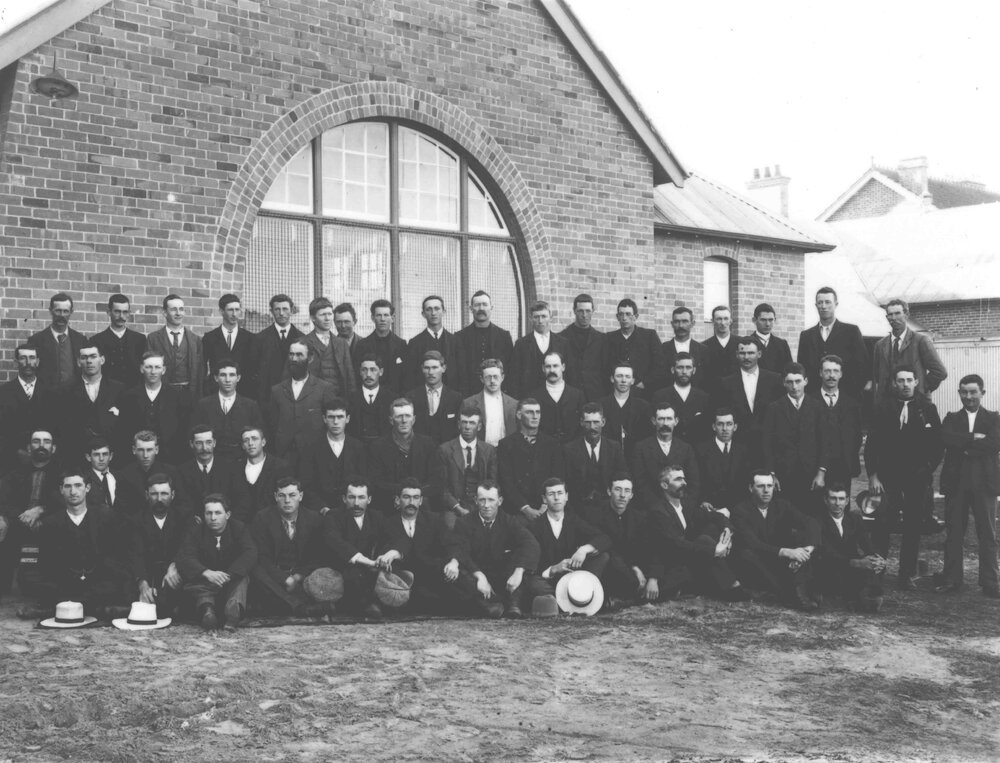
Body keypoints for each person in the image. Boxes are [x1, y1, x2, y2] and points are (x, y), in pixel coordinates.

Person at [864, 365, 944, 590]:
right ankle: (878, 570)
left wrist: (926, 469)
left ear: (917, 382)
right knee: (882, 524)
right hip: (888, 477)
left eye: (910, 380)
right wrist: (873, 476)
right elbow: (872, 445)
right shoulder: (883, 408)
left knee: (912, 526)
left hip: (916, 477)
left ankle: (906, 574)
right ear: (894, 384)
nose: (906, 384)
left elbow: (937, 446)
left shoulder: (927, 408)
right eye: (901, 380)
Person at [643, 465, 747, 601]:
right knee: (704, 541)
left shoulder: (685, 506)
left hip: (691, 558)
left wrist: (727, 531)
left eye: (684, 479)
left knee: (708, 533)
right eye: (678, 480)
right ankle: (732, 586)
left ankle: (728, 585)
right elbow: (676, 543)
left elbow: (716, 516)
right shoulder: (658, 511)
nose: (684, 483)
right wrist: (714, 551)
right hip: (672, 565)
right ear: (664, 485)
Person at [937, 374, 1000, 598]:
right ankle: (953, 580)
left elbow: (994, 444)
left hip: (984, 484)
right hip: (957, 484)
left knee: (988, 534)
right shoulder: (951, 418)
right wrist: (974, 438)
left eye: (973, 392)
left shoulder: (994, 418)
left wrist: (964, 446)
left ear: (982, 392)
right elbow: (946, 439)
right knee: (954, 533)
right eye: (964, 392)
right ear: (959, 394)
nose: (969, 396)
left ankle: (990, 582)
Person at [35, 468, 127, 612]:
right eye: (68, 486)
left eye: (78, 485)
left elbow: (114, 558)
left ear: (88, 488)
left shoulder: (105, 518)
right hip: (65, 584)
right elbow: (47, 564)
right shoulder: (50, 524)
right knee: (47, 590)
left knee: (115, 586)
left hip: (98, 584)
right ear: (61, 490)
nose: (73, 491)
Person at [449, 480, 540, 618]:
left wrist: (518, 572)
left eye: (491, 500)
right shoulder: (465, 522)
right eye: (482, 500)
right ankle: (487, 606)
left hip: (501, 577)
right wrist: (479, 576)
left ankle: (513, 605)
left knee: (521, 560)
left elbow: (530, 543)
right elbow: (461, 551)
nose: (486, 505)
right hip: (476, 578)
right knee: (455, 575)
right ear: (476, 501)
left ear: (500, 501)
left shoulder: (509, 521)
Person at [731, 471, 820, 610]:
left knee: (804, 539)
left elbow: (810, 522)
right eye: (761, 486)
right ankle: (788, 593)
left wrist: (807, 550)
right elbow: (753, 543)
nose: (766, 491)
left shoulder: (782, 505)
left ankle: (798, 591)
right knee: (747, 554)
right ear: (750, 488)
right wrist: (786, 552)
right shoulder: (740, 510)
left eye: (769, 486)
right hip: (757, 563)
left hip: (779, 561)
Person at [249, 477, 331, 616]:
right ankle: (298, 607)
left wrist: (298, 576)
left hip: (301, 576)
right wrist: (284, 579)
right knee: (256, 571)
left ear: (301, 496)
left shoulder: (314, 519)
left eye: (292, 495)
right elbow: (262, 558)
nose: (287, 500)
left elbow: (317, 556)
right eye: (282, 495)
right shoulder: (262, 518)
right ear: (275, 497)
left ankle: (283, 604)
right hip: (274, 578)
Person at [177, 493, 257, 630]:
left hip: (231, 579)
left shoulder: (239, 529)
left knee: (242, 580)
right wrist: (206, 572)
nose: (213, 518)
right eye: (209, 513)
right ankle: (208, 612)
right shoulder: (196, 532)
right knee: (197, 586)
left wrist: (228, 575)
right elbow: (185, 556)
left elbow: (250, 553)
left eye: (218, 513)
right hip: (206, 581)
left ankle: (233, 610)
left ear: (227, 514)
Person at [375, 478, 458, 612]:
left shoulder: (434, 520)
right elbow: (385, 548)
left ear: (420, 501)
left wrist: (454, 562)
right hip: (404, 578)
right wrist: (391, 553)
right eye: (406, 497)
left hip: (430, 574)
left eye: (415, 498)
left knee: (457, 584)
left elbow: (451, 544)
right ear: (397, 500)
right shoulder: (387, 523)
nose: (411, 502)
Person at [525, 477, 610, 605]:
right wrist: (553, 569)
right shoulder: (534, 527)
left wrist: (583, 550)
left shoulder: (574, 521)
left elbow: (604, 538)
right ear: (544, 499)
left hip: (573, 578)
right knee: (532, 583)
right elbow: (532, 563)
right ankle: (573, 597)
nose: (556, 498)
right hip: (549, 580)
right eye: (551, 494)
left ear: (566, 496)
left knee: (602, 557)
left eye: (560, 493)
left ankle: (571, 596)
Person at [0, 429, 63, 595]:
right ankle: (4, 588)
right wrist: (20, 516)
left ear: (54, 448)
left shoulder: (62, 473)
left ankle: (49, 590)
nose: (41, 445)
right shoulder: (15, 473)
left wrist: (41, 510)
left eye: (46, 441)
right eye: (36, 441)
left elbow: (65, 500)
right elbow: (4, 499)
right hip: (18, 521)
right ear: (29, 447)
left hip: (51, 521)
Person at [762, 363, 828, 515]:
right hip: (784, 474)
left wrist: (821, 473)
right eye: (790, 382)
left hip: (810, 473)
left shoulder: (818, 407)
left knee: (810, 516)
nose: (794, 386)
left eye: (798, 381)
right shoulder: (774, 408)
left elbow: (825, 442)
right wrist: (772, 474)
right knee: (784, 515)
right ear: (784, 383)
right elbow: (767, 444)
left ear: (806, 381)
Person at [125, 474, 191, 620]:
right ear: (147, 495)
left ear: (172, 495)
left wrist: (175, 566)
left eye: (164, 494)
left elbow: (187, 547)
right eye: (154, 494)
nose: (159, 499)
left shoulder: (183, 518)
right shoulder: (135, 520)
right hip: (147, 574)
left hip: (173, 575)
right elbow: (136, 554)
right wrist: (142, 583)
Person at [323, 477, 390, 620]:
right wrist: (368, 562)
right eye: (352, 497)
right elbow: (336, 542)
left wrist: (386, 556)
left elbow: (390, 539)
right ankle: (364, 607)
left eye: (361, 497)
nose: (357, 503)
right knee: (352, 575)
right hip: (344, 566)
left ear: (369, 499)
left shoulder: (377, 517)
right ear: (344, 499)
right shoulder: (334, 516)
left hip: (372, 567)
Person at [813, 483, 886, 612]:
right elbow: (824, 551)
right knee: (827, 572)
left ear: (847, 501)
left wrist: (877, 557)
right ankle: (847, 598)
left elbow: (867, 543)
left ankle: (864, 597)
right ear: (825, 500)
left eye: (841, 499)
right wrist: (856, 562)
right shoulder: (817, 521)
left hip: (851, 566)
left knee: (870, 565)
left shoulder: (854, 519)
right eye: (833, 498)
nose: (837, 503)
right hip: (830, 565)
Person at [584, 473, 650, 607]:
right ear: (609, 491)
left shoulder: (639, 518)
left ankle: (628, 597)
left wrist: (640, 569)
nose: (622, 495)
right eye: (618, 489)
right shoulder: (595, 515)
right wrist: (634, 569)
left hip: (633, 563)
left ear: (632, 495)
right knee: (613, 563)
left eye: (627, 491)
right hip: (610, 566)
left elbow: (645, 548)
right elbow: (606, 546)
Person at [367, 398, 440, 516]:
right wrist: (400, 497)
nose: (404, 420)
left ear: (414, 419)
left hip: (422, 506)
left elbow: (436, 480)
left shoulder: (428, 444)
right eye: (399, 416)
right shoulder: (377, 447)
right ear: (391, 420)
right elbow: (375, 482)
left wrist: (413, 498)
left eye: (408, 416)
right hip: (388, 506)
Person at [497, 398, 565, 521]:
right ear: (519, 415)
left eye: (538, 412)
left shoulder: (552, 444)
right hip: (516, 511)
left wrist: (545, 506)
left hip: (547, 509)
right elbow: (506, 482)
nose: (535, 416)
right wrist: (525, 508)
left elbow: (557, 477)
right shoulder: (506, 445)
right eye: (529, 412)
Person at [117, 350, 191, 463]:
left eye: (157, 367)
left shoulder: (176, 396)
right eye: (149, 367)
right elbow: (125, 430)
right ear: (142, 369)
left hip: (169, 457)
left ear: (164, 370)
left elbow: (181, 431)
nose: (153, 371)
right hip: (138, 457)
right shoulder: (129, 396)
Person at [716, 336, 783, 461]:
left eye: (751, 353)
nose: (746, 357)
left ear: (759, 354)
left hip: (768, 444)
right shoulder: (726, 383)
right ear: (737, 354)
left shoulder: (774, 380)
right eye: (742, 353)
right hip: (738, 446)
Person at [266, 339, 337, 458]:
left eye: (299, 355)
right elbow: (272, 424)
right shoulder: (277, 390)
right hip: (284, 455)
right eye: (291, 354)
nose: (294, 359)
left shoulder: (324, 388)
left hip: (314, 455)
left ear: (310, 358)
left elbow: (330, 423)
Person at [297, 400, 368, 516]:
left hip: (351, 511)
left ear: (348, 419)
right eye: (331, 417)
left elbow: (363, 481)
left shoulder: (358, 447)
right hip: (319, 513)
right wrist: (321, 508)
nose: (335, 422)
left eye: (340, 417)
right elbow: (305, 484)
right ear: (324, 419)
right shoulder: (311, 448)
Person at [797, 286, 869, 399]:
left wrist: (853, 391)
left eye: (828, 302)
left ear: (836, 304)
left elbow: (862, 364)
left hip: (846, 396)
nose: (824, 306)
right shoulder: (806, 335)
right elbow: (803, 367)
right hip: (814, 397)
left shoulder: (851, 331)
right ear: (816, 305)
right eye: (820, 303)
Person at [57, 343, 124, 465]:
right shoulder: (67, 390)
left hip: (110, 456)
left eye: (93, 356)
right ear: (78, 362)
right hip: (77, 455)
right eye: (84, 358)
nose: (89, 361)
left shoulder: (117, 389)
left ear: (102, 360)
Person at [872, 298, 947, 402]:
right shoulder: (880, 345)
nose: (893, 318)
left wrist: (921, 389)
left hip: (915, 404)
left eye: (898, 313)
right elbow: (877, 376)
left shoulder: (921, 341)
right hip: (888, 406)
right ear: (887, 317)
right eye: (890, 314)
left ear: (906, 315)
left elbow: (940, 372)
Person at [191, 359, 265, 463]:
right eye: (223, 375)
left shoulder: (250, 406)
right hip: (212, 462)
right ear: (216, 378)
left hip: (241, 461)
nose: (227, 379)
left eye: (232, 375)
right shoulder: (203, 405)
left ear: (238, 378)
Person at [436, 405, 497, 528]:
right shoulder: (445, 450)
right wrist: (458, 508)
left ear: (479, 426)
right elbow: (442, 487)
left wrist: (481, 507)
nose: (467, 427)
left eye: (472, 423)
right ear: (459, 424)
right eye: (464, 422)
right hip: (453, 507)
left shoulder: (489, 450)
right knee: (451, 528)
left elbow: (492, 483)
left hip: (481, 506)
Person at [0, 345, 57, 476]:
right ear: (16, 363)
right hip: (12, 461)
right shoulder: (4, 393)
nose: (28, 363)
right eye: (23, 358)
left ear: (37, 362)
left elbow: (56, 427)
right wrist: (16, 451)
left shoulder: (52, 392)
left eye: (31, 358)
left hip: (46, 461)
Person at [630, 403, 700, 508]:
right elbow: (640, 482)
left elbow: (693, 483)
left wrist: (682, 506)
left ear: (676, 421)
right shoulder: (641, 448)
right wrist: (657, 506)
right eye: (661, 419)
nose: (665, 423)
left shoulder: (686, 449)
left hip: (681, 508)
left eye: (669, 419)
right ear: (654, 421)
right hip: (650, 509)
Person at [563, 403, 627, 512]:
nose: (592, 427)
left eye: (596, 422)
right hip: (579, 509)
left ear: (603, 422)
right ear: (581, 423)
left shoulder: (614, 447)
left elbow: (622, 476)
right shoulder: (569, 450)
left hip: (609, 508)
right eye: (588, 423)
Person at [815, 355, 863, 492]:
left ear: (841, 374)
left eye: (836, 371)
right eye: (827, 371)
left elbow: (856, 435)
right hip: (816, 469)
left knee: (841, 507)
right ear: (820, 373)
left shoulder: (852, 404)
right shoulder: (810, 401)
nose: (831, 375)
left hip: (843, 467)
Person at [453, 290, 514, 398]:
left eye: (485, 304)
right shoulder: (459, 337)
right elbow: (458, 371)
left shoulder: (504, 336)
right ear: (471, 309)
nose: (481, 308)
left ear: (491, 308)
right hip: (469, 396)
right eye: (477, 305)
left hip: (497, 395)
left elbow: (510, 369)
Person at [229, 427, 293, 524]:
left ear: (263, 442)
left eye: (254, 439)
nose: (250, 443)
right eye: (246, 440)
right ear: (242, 446)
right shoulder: (235, 468)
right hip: (241, 526)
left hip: (271, 524)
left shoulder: (280, 467)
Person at [604, 298, 665, 399]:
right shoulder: (609, 338)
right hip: (616, 393)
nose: (624, 318)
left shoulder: (649, 336)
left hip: (643, 392)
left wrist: (644, 383)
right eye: (621, 314)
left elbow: (660, 365)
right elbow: (605, 366)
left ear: (636, 316)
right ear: (617, 317)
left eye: (628, 314)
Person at [146, 294, 203, 398]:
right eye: (173, 309)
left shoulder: (195, 340)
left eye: (181, 309)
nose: (178, 313)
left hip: (188, 394)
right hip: (162, 395)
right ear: (164, 313)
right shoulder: (153, 338)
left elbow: (200, 372)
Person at [695, 409, 751, 515]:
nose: (725, 429)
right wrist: (702, 501)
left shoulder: (744, 451)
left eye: (729, 424)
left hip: (738, 510)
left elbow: (745, 483)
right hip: (710, 509)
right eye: (720, 424)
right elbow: (696, 481)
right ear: (714, 427)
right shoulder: (700, 451)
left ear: (735, 427)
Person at [27, 292, 86, 391]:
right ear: (50, 311)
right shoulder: (36, 340)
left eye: (65, 311)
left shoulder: (80, 340)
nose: (62, 315)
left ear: (71, 312)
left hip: (74, 398)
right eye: (58, 311)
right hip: (45, 398)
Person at [510, 300, 569, 398]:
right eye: (536, 317)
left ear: (551, 318)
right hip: (529, 398)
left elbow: (567, 373)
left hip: (556, 397)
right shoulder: (521, 344)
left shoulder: (563, 343)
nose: (540, 321)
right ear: (530, 319)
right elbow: (515, 376)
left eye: (544, 316)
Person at [253, 294, 304, 404]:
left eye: (285, 309)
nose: (281, 313)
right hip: (268, 398)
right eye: (277, 309)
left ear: (292, 310)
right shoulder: (260, 339)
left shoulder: (302, 339)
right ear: (271, 311)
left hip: (295, 396)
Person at [301, 297, 356, 398]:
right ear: (313, 318)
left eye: (330, 314)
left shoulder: (341, 343)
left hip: (338, 400)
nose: (327, 318)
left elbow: (350, 377)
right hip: (313, 400)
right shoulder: (302, 343)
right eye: (322, 315)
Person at [202, 294, 255, 397]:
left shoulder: (250, 338)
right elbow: (202, 368)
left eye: (237, 310)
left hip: (244, 394)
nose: (234, 314)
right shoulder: (210, 338)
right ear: (221, 311)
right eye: (230, 310)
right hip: (215, 394)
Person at [90, 294, 148, 389]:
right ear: (109, 312)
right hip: (107, 394)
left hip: (134, 393)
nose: (121, 316)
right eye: (117, 312)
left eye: (125, 312)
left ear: (129, 313)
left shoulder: (140, 339)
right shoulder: (96, 341)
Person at [406, 350, 463, 445]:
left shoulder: (456, 398)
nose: (430, 372)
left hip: (446, 453)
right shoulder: (411, 397)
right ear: (422, 369)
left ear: (443, 368)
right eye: (427, 368)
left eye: (435, 367)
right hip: (419, 451)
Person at [598, 362, 652, 461]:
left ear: (633, 381)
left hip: (636, 459)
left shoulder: (644, 407)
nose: (623, 380)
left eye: (627, 377)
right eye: (619, 376)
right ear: (612, 379)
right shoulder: (601, 405)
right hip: (607, 458)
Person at [652, 352, 710, 444]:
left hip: (697, 450)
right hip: (670, 450)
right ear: (672, 370)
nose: (684, 372)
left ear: (694, 370)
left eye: (688, 367)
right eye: (680, 367)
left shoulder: (704, 397)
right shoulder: (660, 396)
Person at [404, 296, 460, 391]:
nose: (433, 313)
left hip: (451, 397)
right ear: (423, 314)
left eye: (437, 309)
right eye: (429, 309)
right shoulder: (415, 343)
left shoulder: (455, 341)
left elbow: (460, 374)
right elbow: (410, 377)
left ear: (444, 311)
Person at [560, 293, 607, 401]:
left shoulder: (602, 339)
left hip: (595, 395)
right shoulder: (562, 338)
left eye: (588, 311)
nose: (584, 315)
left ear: (593, 311)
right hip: (569, 395)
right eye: (581, 311)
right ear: (574, 311)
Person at [530, 350, 584, 444]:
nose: (552, 370)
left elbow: (582, 426)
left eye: (555, 366)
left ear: (563, 367)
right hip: (545, 451)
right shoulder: (534, 396)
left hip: (572, 451)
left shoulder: (577, 395)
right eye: (548, 366)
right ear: (543, 368)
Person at [355, 299, 407, 393]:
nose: (382, 319)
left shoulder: (402, 345)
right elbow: (358, 376)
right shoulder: (362, 345)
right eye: (379, 315)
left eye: (386, 315)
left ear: (393, 318)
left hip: (395, 397)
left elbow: (405, 376)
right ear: (372, 318)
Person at [462, 359, 517, 447]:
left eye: (496, 376)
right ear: (481, 379)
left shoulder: (514, 404)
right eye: (488, 377)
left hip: (506, 452)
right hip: (480, 452)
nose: (492, 381)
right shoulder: (469, 403)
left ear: (502, 377)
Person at [176, 426, 235, 506]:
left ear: (214, 443)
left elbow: (240, 499)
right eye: (199, 443)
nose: (204, 448)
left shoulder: (229, 469)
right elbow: (181, 502)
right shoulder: (181, 472)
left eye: (209, 442)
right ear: (191, 444)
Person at [347, 354, 396, 444]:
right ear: (359, 372)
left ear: (381, 372)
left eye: (373, 370)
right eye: (364, 370)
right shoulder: (350, 398)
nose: (368, 374)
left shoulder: (392, 398)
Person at [660, 307, 708, 388]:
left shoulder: (703, 350)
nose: (681, 325)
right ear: (672, 324)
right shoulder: (662, 349)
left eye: (685, 321)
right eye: (677, 322)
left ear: (692, 323)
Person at [700, 305, 738, 395]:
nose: (723, 323)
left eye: (726, 319)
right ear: (712, 321)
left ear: (731, 321)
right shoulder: (703, 347)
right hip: (712, 394)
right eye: (719, 319)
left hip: (736, 394)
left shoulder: (740, 344)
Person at [750, 303, 792, 375]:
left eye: (771, 320)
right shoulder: (747, 343)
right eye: (763, 320)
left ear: (775, 320)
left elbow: (789, 370)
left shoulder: (782, 345)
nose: (767, 324)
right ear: (754, 320)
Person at [82, 437, 121, 514]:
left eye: (105, 454)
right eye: (96, 455)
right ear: (88, 457)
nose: (101, 458)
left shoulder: (120, 477)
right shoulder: (83, 480)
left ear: (111, 456)